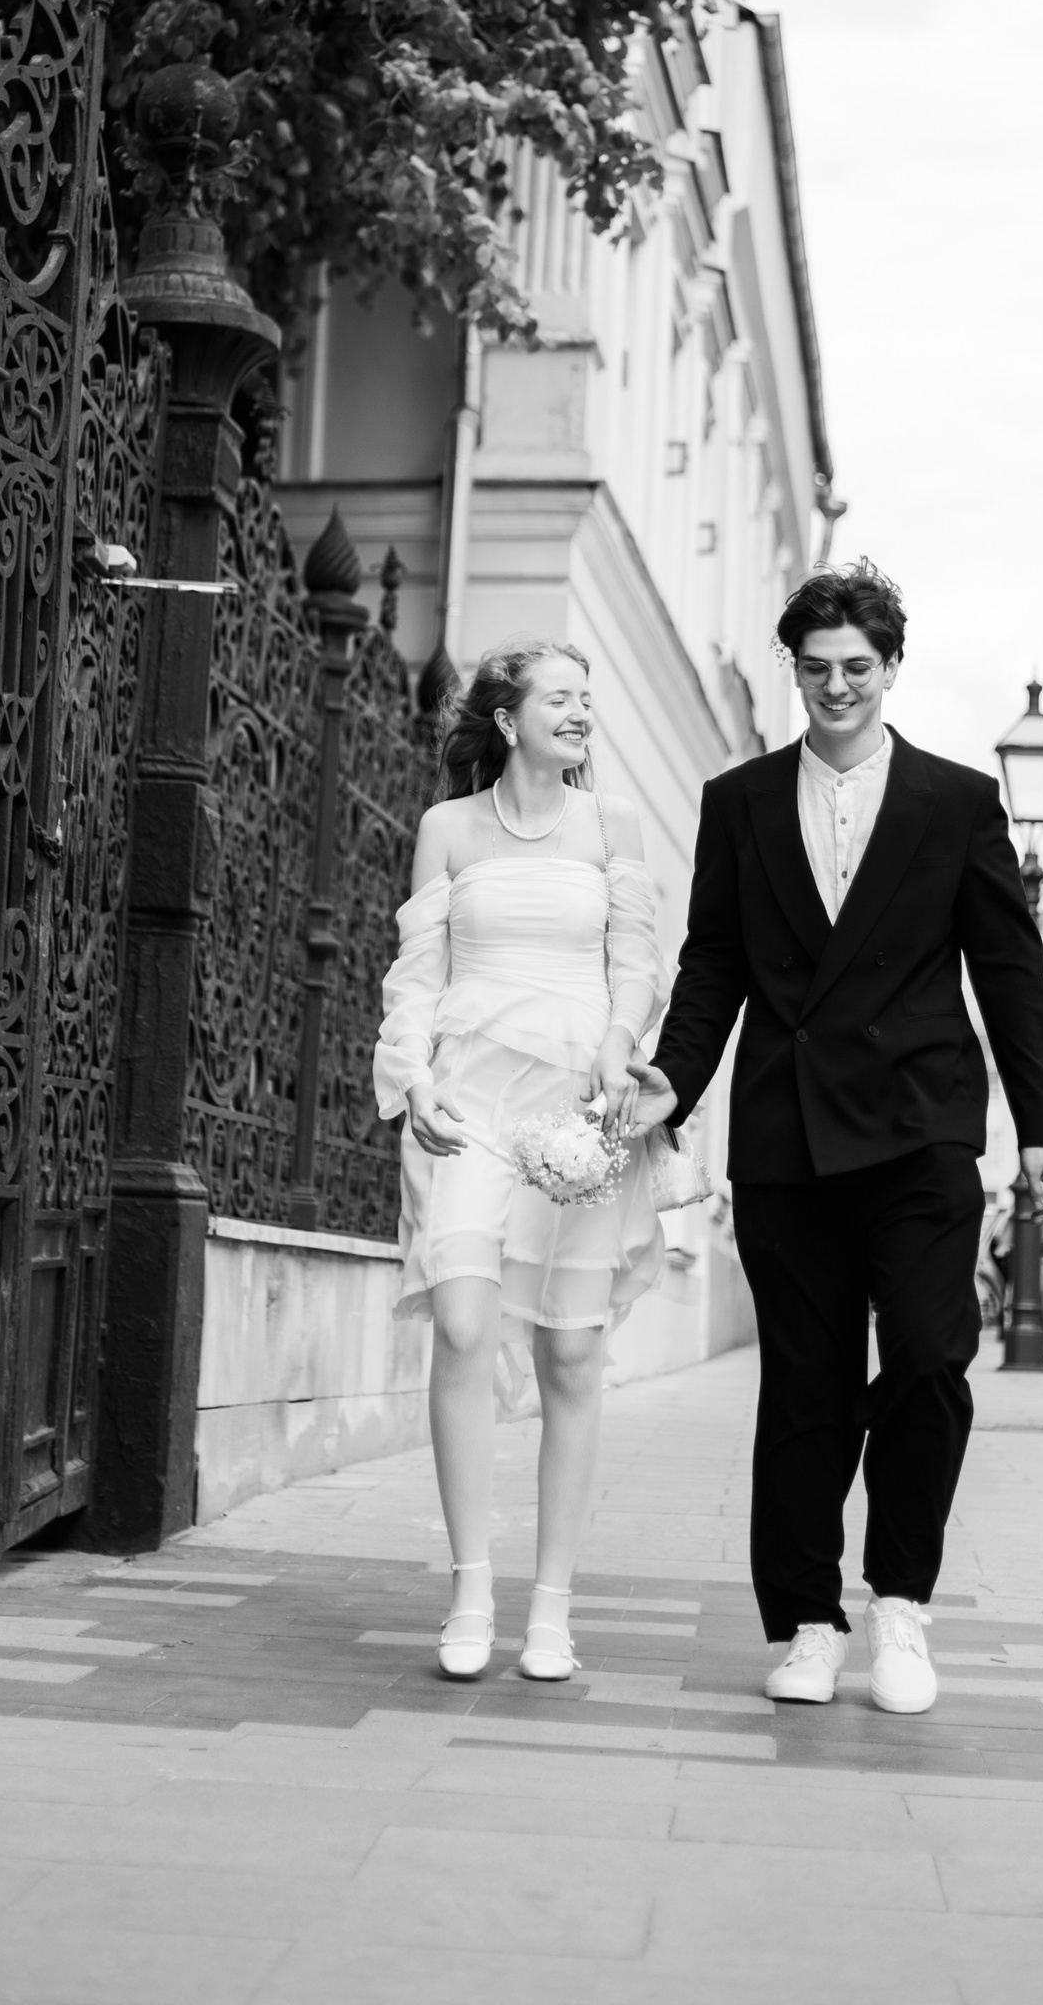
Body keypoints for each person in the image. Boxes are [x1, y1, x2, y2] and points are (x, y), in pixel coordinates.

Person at [629, 561, 1043, 1718]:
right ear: (795, 668)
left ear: (892, 667)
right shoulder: (740, 801)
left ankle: (901, 1604)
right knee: (806, 1388)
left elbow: (1008, 970)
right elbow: (713, 961)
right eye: (817, 668)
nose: (836, 688)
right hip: (790, 1134)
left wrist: (1041, 1129)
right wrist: (674, 1081)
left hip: (921, 1129)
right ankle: (809, 1623)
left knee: (927, 1360)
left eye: (857, 668)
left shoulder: (956, 802)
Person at [372, 640, 665, 1686]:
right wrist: (411, 1079)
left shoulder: (612, 825)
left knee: (572, 1357)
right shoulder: (447, 829)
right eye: (560, 698)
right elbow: (417, 973)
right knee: (461, 1322)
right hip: (471, 1104)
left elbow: (637, 963)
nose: (581, 713)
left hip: (576, 1109)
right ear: (507, 719)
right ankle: (470, 1592)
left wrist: (620, 1049)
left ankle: (551, 1610)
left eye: (588, 698)